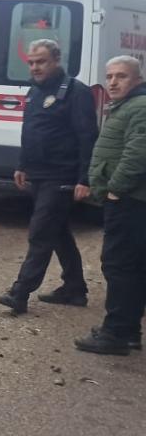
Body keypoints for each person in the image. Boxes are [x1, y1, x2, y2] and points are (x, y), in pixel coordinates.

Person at [0, 40, 96, 315]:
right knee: (58, 232)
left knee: (41, 232)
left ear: (56, 60)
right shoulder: (35, 92)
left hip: (62, 175)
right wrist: (22, 164)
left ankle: (20, 292)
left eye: (41, 62)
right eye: (31, 62)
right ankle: (74, 289)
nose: (35, 67)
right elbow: (31, 131)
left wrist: (84, 178)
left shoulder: (77, 92)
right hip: (38, 174)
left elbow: (87, 138)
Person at [74, 55, 146, 355]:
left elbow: (139, 151)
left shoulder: (139, 107)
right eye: (110, 76)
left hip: (130, 201)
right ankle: (127, 330)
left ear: (137, 80)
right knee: (132, 267)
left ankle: (115, 333)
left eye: (122, 76)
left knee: (119, 266)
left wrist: (115, 188)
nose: (114, 82)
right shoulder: (127, 106)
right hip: (129, 201)